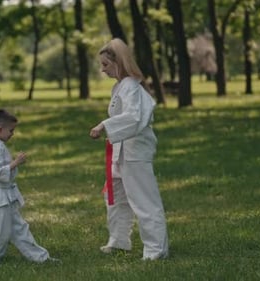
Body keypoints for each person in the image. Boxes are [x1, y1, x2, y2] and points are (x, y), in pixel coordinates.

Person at [89, 38, 169, 261]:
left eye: (105, 65)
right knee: (115, 198)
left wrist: (104, 125)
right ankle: (119, 240)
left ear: (119, 62)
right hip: (119, 150)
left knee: (144, 200)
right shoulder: (120, 87)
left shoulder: (132, 87)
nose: (102, 70)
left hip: (135, 152)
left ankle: (156, 249)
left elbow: (133, 118)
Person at [0, 109, 58, 266]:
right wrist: (15, 162)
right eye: (11, 130)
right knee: (1, 233)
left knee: (20, 229)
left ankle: (40, 257)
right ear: (0, 129)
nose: (12, 134)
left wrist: (13, 164)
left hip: (6, 196)